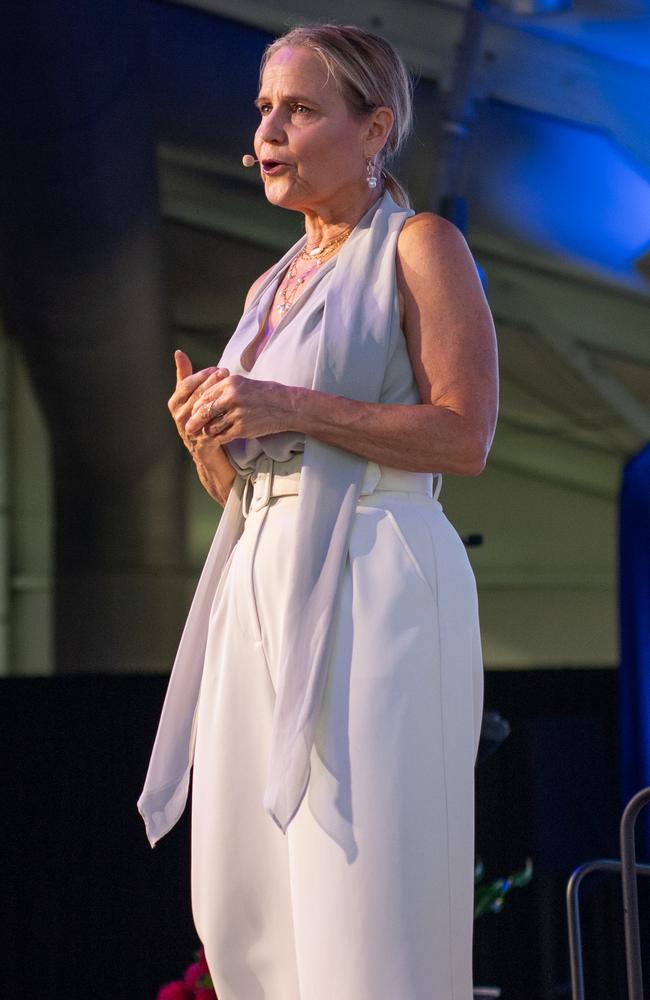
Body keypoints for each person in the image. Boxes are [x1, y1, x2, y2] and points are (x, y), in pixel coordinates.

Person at [138, 23, 498, 1000]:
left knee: (360, 891)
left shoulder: (421, 246)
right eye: (262, 108)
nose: (268, 127)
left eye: (297, 108)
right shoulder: (268, 286)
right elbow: (246, 489)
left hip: (376, 577)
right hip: (258, 585)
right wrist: (210, 443)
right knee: (246, 900)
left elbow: (463, 436)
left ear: (374, 127)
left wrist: (286, 405)